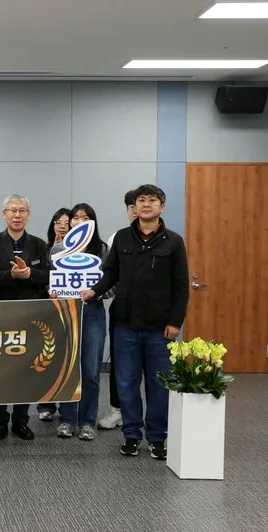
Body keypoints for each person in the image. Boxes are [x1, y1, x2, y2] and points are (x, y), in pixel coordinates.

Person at [81, 184, 189, 460]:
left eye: (152, 200)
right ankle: (131, 435)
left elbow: (181, 286)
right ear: (135, 206)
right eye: (141, 200)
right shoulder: (122, 238)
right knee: (126, 383)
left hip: (160, 329)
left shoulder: (174, 241)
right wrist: (94, 291)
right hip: (125, 325)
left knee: (159, 385)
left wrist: (176, 322)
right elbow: (111, 274)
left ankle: (157, 438)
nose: (146, 204)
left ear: (162, 206)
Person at [0, 193, 51, 442]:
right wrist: (11, 275)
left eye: (22, 210)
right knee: (0, 368)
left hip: (31, 314)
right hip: (1, 312)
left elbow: (48, 275)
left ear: (28, 215)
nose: (17, 215)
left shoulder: (39, 244)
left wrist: (30, 273)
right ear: (4, 215)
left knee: (26, 368)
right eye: (12, 210)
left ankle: (21, 421)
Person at [53, 204, 108, 441]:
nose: (79, 222)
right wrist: (52, 292)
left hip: (93, 311)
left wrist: (96, 292)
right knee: (68, 368)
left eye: (85, 218)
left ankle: (87, 422)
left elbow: (113, 283)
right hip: (66, 312)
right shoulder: (59, 247)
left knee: (91, 371)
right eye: (75, 218)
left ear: (92, 222)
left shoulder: (102, 249)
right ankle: (67, 420)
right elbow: (50, 279)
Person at [97, 189, 138, 430]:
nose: (136, 210)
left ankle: (151, 414)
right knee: (120, 362)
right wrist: (98, 293)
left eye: (140, 204)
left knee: (150, 367)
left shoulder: (167, 239)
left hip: (153, 313)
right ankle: (117, 408)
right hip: (122, 309)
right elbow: (108, 275)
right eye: (131, 206)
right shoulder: (117, 238)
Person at [37, 207, 71, 422]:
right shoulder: (44, 248)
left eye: (67, 223)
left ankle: (68, 407)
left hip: (73, 310)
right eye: (58, 222)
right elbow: (41, 276)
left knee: (69, 359)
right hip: (49, 309)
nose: (62, 227)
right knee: (48, 356)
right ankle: (46, 405)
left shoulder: (82, 251)